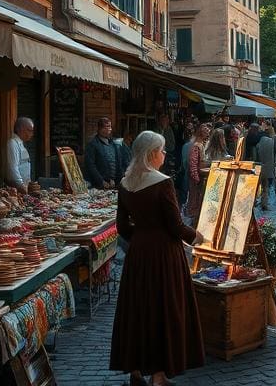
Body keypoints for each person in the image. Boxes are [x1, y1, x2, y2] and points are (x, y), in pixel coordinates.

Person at [111, 131, 204, 385]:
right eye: (162, 150)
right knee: (163, 310)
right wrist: (197, 236)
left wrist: (140, 238)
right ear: (152, 153)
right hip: (163, 254)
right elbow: (175, 225)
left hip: (138, 253)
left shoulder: (126, 182)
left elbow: (122, 226)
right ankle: (159, 376)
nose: (165, 154)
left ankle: (136, 371)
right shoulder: (162, 182)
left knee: (138, 310)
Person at [84, 117, 122, 190]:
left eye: (110, 127)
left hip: (113, 184)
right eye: (107, 127)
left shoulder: (113, 143)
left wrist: (115, 179)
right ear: (100, 129)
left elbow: (117, 162)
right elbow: (90, 165)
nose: (109, 129)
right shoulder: (93, 144)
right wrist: (101, 181)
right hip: (98, 185)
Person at [185, 124, 211, 220]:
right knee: (194, 199)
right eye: (206, 132)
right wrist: (196, 178)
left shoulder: (201, 144)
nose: (207, 134)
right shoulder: (196, 145)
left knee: (198, 199)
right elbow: (193, 163)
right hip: (196, 177)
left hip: (200, 176)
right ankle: (192, 219)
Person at [251, 124, 276, 210]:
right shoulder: (271, 141)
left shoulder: (254, 139)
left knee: (256, 184)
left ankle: (253, 201)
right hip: (267, 166)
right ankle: (264, 203)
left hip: (257, 165)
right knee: (265, 186)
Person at [6, 117, 34, 193]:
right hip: (17, 189)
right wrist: (20, 185)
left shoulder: (21, 143)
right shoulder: (13, 143)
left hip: (25, 186)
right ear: (20, 129)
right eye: (29, 130)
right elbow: (13, 167)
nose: (31, 134)